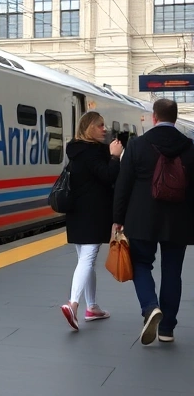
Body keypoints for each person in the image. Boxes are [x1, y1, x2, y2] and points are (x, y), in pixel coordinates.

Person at [112, 98, 194, 345]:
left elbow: (123, 186)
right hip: (179, 220)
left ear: (154, 117)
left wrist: (117, 219)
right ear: (175, 118)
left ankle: (150, 308)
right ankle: (167, 329)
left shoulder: (137, 145)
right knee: (172, 272)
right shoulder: (189, 147)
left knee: (140, 264)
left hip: (141, 218)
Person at [60, 111, 122, 330]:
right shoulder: (94, 152)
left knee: (86, 261)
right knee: (88, 258)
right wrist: (114, 156)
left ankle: (92, 307)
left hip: (77, 212)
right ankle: (73, 304)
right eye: (100, 125)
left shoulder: (75, 150)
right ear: (88, 128)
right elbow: (108, 176)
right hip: (93, 213)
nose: (104, 129)